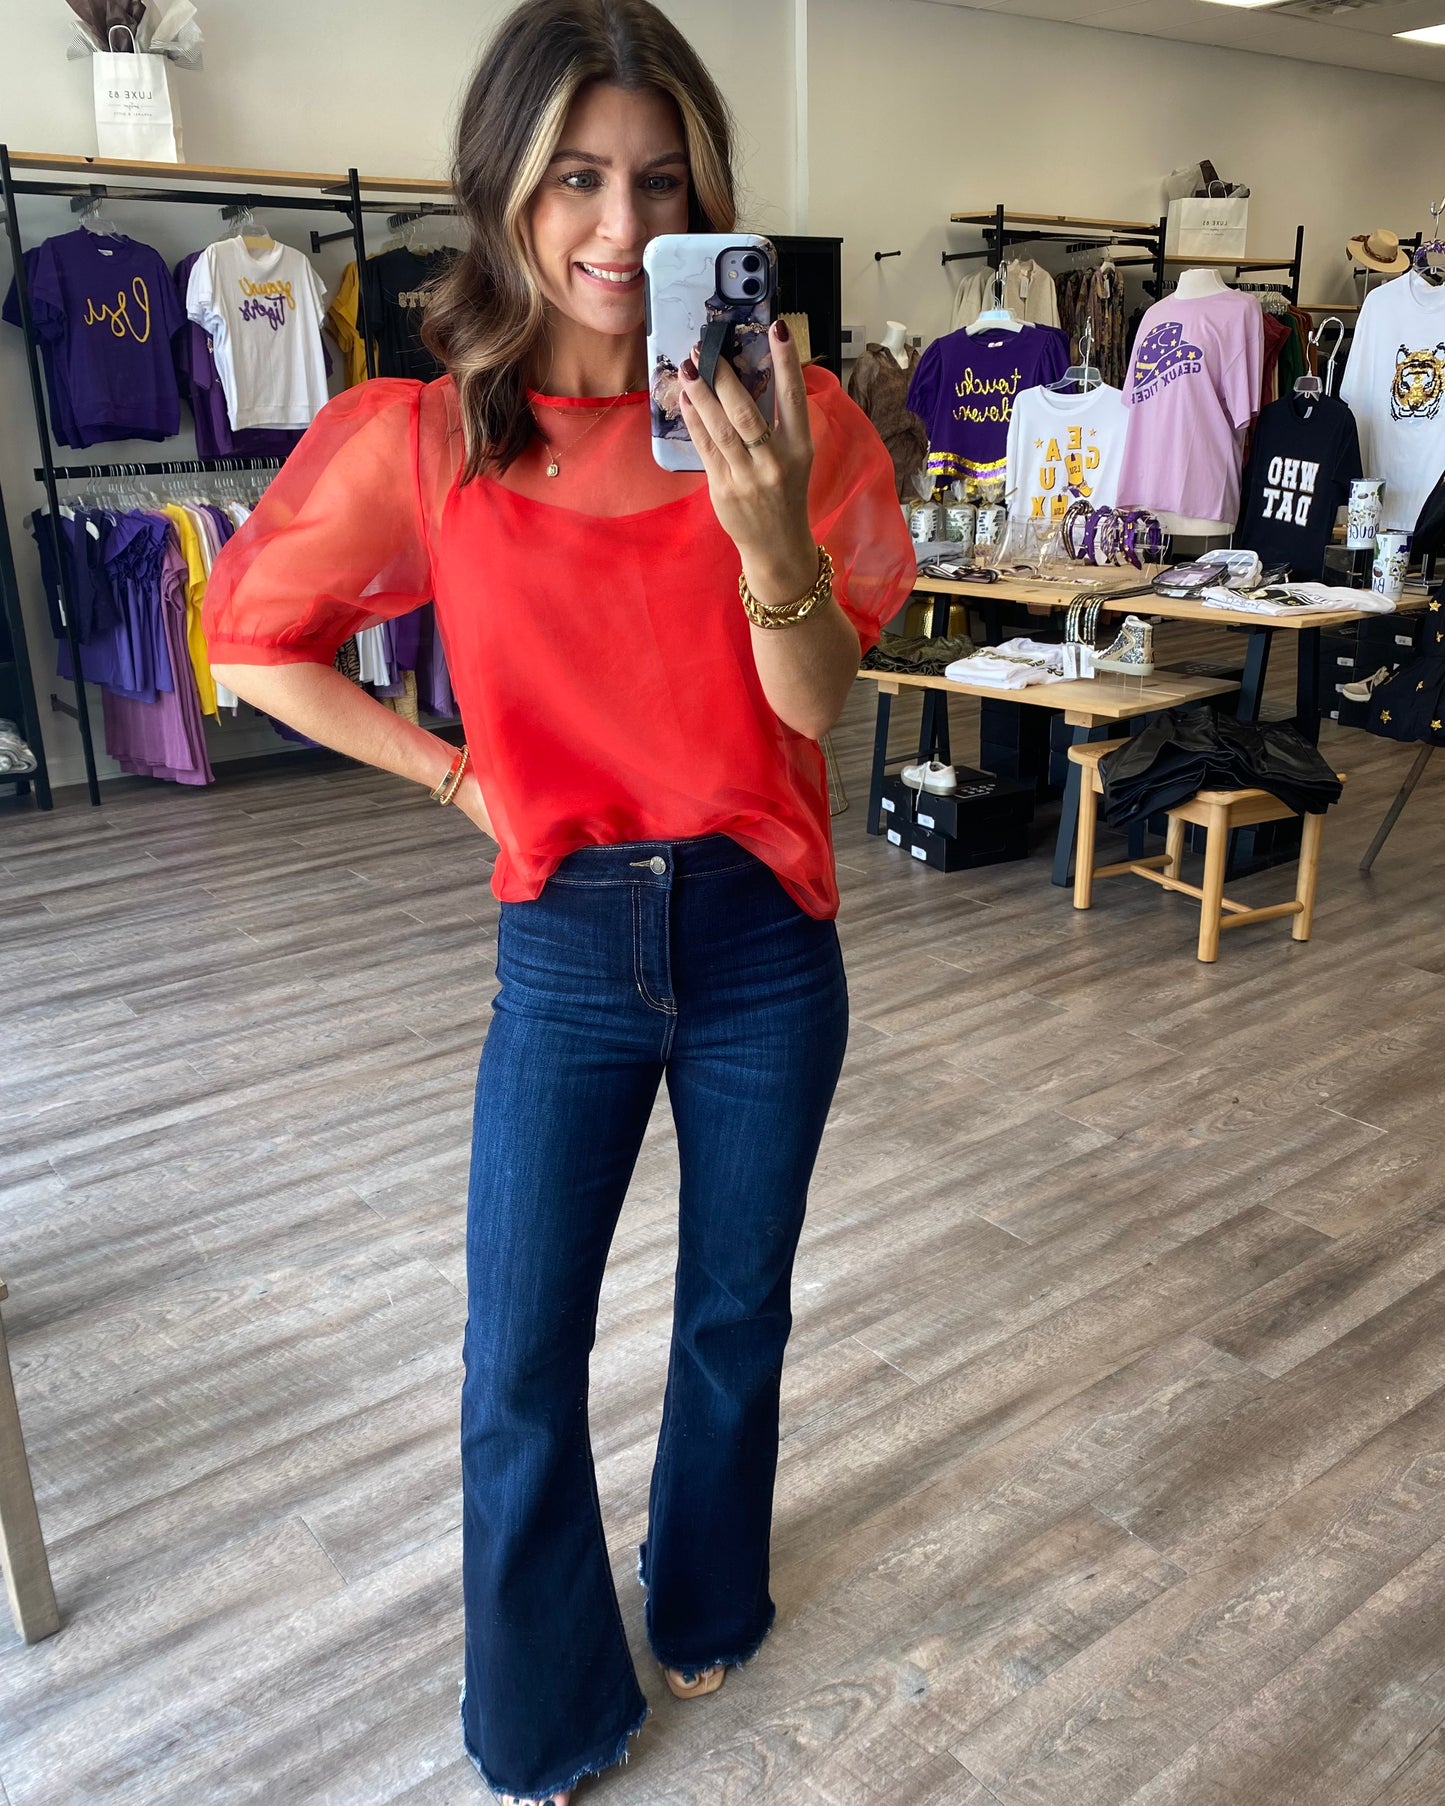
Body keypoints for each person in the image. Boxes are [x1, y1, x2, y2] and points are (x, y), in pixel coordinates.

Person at [202, 1, 915, 1800]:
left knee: (733, 1312)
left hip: (765, 937)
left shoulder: (800, 421)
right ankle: (540, 1707)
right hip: (570, 941)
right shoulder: (427, 438)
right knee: (516, 1355)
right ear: (504, 195)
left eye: (657, 182)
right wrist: (455, 773)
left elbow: (817, 700)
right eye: (574, 179)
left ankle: (711, 1591)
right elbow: (248, 638)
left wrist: (767, 541)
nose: (615, 228)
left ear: (709, 206)